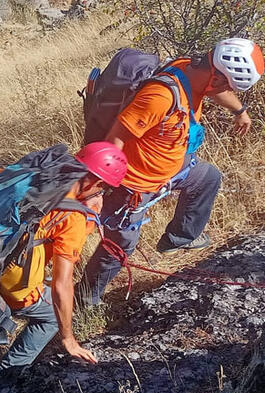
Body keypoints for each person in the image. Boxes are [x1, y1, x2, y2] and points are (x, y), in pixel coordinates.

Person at [79, 38, 265, 305]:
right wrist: (98, 188)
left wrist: (240, 110)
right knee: (121, 245)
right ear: (216, 78)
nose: (226, 91)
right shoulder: (160, 96)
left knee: (208, 178)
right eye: (227, 85)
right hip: (134, 184)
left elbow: (214, 92)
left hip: (173, 167)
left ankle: (179, 238)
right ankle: (85, 297)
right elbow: (114, 140)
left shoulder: (191, 70)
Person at [0, 142, 128, 393]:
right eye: (104, 188)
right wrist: (68, 339)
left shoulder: (34, 171)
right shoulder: (72, 217)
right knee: (50, 315)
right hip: (14, 282)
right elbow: (63, 283)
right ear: (96, 181)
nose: (102, 194)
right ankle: (2, 378)